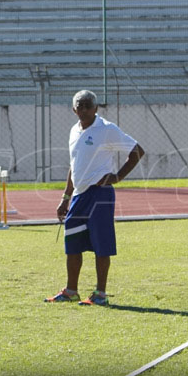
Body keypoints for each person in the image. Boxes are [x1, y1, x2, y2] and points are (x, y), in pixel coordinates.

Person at [46, 90, 143, 306]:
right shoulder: (74, 131)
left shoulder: (106, 129)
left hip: (100, 194)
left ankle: (100, 294)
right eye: (79, 106)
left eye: (88, 105)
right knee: (72, 243)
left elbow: (137, 151)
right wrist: (65, 197)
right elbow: (74, 166)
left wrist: (117, 177)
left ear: (96, 108)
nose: (83, 109)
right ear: (73, 109)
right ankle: (71, 291)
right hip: (79, 196)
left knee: (101, 244)